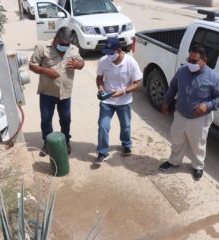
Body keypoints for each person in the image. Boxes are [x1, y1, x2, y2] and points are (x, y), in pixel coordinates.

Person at [159, 45, 219, 181]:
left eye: (195, 61)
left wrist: (207, 105)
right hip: (180, 114)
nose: (191, 64)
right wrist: (165, 102)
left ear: (204, 60)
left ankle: (198, 166)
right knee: (176, 140)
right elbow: (173, 87)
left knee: (198, 144)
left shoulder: (214, 77)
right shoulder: (182, 71)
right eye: (189, 60)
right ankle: (174, 161)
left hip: (200, 118)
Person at [29, 27, 84, 156]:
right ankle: (48, 143)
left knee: (65, 120)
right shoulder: (42, 47)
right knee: (46, 119)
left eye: (67, 44)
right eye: (62, 44)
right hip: (47, 92)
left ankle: (65, 142)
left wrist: (79, 65)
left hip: (65, 93)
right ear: (55, 39)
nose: (65, 46)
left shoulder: (74, 49)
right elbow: (32, 65)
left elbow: (82, 63)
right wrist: (45, 71)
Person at [94, 37, 143, 165]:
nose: (108, 55)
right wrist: (100, 88)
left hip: (124, 101)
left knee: (125, 126)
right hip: (107, 101)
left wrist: (124, 91)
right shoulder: (103, 61)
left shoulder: (130, 62)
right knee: (103, 126)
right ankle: (102, 152)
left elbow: (138, 83)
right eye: (107, 52)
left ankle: (126, 144)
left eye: (111, 53)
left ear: (119, 50)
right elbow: (99, 78)